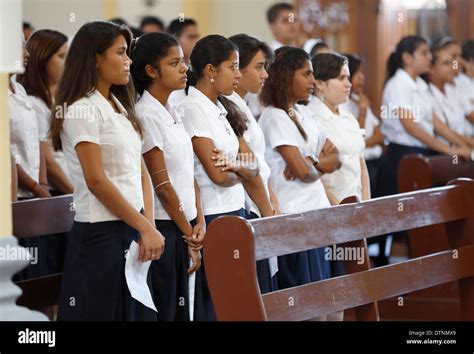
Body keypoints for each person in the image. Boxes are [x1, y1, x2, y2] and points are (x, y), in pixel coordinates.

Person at [51, 21, 165, 321]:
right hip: (101, 234)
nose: (129, 61)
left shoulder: (117, 104)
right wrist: (144, 227)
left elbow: (141, 171)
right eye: (121, 52)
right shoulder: (82, 108)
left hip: (131, 227)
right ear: (96, 58)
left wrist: (147, 225)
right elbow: (97, 180)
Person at [178, 35, 259, 321]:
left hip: (236, 211)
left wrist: (235, 165)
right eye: (233, 66)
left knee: (237, 300)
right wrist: (240, 169)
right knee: (214, 303)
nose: (239, 74)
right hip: (213, 216)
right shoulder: (192, 108)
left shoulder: (221, 107)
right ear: (211, 71)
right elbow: (216, 176)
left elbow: (253, 166)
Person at [259, 47, 341, 320]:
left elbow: (335, 157)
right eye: (306, 74)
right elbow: (300, 171)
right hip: (295, 221)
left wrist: (312, 162)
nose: (312, 81)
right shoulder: (274, 116)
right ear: (285, 76)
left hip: (318, 217)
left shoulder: (302, 114)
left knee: (331, 306)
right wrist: (313, 164)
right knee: (308, 311)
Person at [131, 32, 204, 320]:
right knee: (167, 310)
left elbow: (189, 171)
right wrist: (189, 234)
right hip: (166, 226)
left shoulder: (172, 109)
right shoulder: (146, 113)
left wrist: (200, 221)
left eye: (183, 61)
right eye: (175, 63)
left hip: (185, 225)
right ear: (151, 70)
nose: (185, 68)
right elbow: (162, 184)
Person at [379, 35, 472, 198]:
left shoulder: (421, 86)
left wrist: (462, 146)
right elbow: (411, 127)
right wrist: (449, 150)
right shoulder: (398, 84)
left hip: (423, 153)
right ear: (407, 58)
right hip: (402, 155)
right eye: (424, 53)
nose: (429, 57)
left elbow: (438, 125)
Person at [227, 33, 278, 293]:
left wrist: (271, 202)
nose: (265, 75)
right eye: (259, 67)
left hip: (259, 205)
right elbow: (248, 169)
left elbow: (258, 163)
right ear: (238, 67)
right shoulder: (227, 107)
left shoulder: (243, 104)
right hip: (247, 208)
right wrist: (269, 214)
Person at [308, 53, 370, 204]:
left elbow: (361, 164)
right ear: (321, 83)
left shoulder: (348, 116)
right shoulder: (311, 117)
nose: (348, 84)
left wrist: (367, 203)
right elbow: (314, 173)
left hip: (358, 200)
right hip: (330, 204)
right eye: (341, 78)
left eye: (348, 78)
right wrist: (337, 207)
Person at [18, 29, 74, 195]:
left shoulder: (58, 100)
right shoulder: (35, 104)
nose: (68, 63)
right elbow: (49, 163)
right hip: (58, 191)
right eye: (62, 57)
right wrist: (76, 195)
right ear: (42, 59)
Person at [340, 53, 384, 197]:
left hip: (375, 164)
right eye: (357, 73)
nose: (362, 78)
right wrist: (363, 113)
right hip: (359, 165)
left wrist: (363, 142)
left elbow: (380, 136)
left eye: (362, 73)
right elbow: (356, 140)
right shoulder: (342, 105)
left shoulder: (360, 100)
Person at [425, 40, 474, 147]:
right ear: (431, 68)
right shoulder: (425, 95)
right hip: (446, 152)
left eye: (452, 63)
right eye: (446, 63)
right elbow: (445, 131)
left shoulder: (453, 91)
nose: (453, 67)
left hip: (465, 146)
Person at [167, 18, 200, 108]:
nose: (197, 41)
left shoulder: (198, 69)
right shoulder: (170, 72)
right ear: (176, 40)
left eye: (197, 37)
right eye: (191, 37)